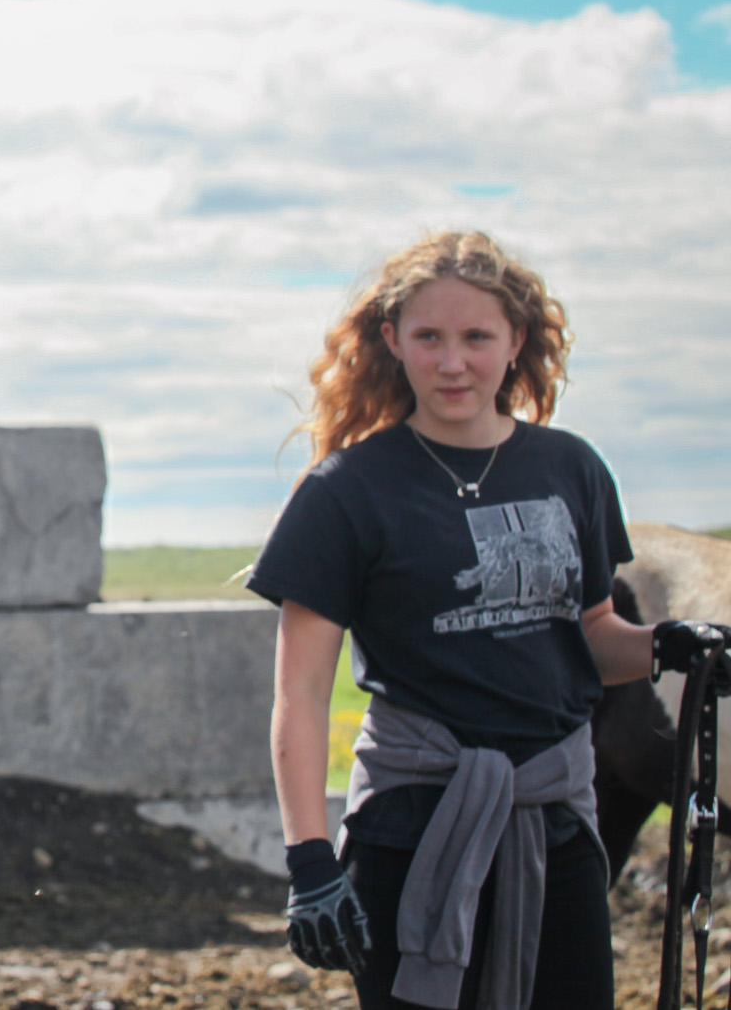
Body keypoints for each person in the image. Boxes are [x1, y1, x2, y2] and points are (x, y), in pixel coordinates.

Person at [247, 231, 725, 1010]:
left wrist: (668, 648)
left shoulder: (572, 468)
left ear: (516, 343)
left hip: (556, 831)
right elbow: (300, 695)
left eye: (476, 336)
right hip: (410, 832)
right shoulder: (345, 493)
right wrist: (309, 861)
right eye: (429, 337)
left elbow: (592, 640)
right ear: (393, 340)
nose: (452, 361)